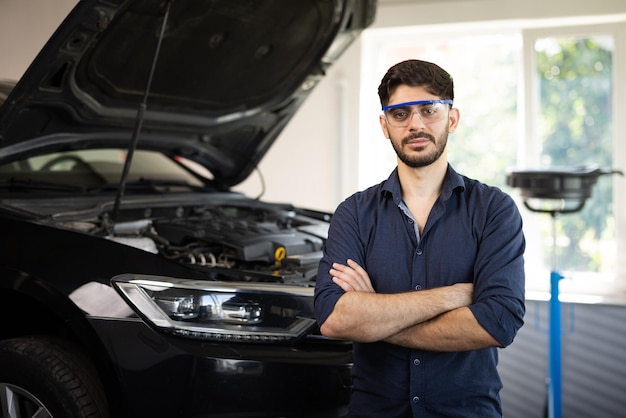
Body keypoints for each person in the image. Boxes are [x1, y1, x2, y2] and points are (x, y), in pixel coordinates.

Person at [313, 59, 526, 417]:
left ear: (452, 119)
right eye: (400, 114)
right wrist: (455, 296)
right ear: (385, 125)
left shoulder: (494, 210)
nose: (415, 124)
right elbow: (335, 319)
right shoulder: (354, 213)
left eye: (429, 110)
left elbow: (498, 322)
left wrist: (374, 315)